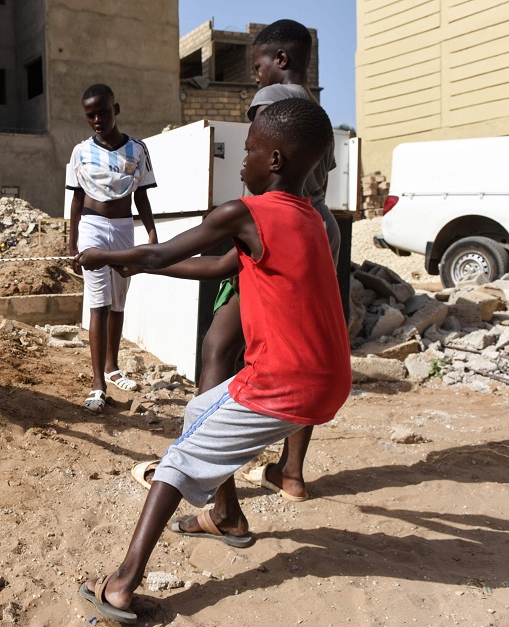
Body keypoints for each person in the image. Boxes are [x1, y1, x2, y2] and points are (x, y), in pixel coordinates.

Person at [75, 97, 352, 623]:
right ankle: (226, 516)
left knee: (177, 461)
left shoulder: (246, 213)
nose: (241, 162)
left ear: (273, 160)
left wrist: (106, 257)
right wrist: (140, 269)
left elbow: (161, 252)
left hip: (284, 383)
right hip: (326, 380)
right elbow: (217, 266)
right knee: (200, 409)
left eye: (248, 152)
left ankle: (120, 586)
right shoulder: (311, 220)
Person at [133, 21, 340, 542]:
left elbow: (172, 252)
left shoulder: (273, 109)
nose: (256, 78)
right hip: (306, 249)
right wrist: (132, 262)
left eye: (246, 149)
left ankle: (126, 577)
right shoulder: (319, 143)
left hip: (268, 236)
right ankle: (279, 478)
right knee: (276, 344)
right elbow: (211, 264)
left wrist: (118, 256)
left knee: (218, 350)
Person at [66, 83, 158, 412]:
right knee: (98, 302)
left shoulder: (137, 149)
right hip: (91, 226)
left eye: (102, 112)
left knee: (118, 299)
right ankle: (97, 384)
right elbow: (76, 198)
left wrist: (151, 233)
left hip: (122, 229)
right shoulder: (80, 152)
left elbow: (142, 195)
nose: (97, 119)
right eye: (90, 115)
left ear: (115, 110)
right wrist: (71, 240)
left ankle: (112, 367)